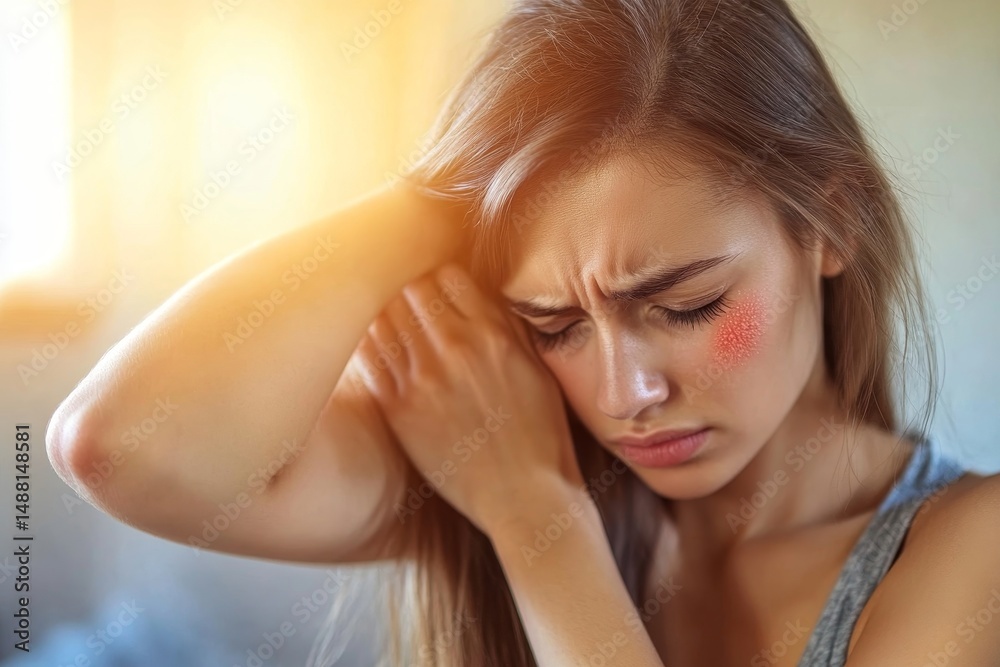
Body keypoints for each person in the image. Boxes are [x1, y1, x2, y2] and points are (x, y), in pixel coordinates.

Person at [46, 0, 1000, 665]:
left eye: (685, 305)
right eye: (555, 324)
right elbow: (124, 445)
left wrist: (535, 522)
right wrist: (439, 198)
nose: (625, 394)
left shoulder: (974, 548)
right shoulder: (505, 445)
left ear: (831, 224)